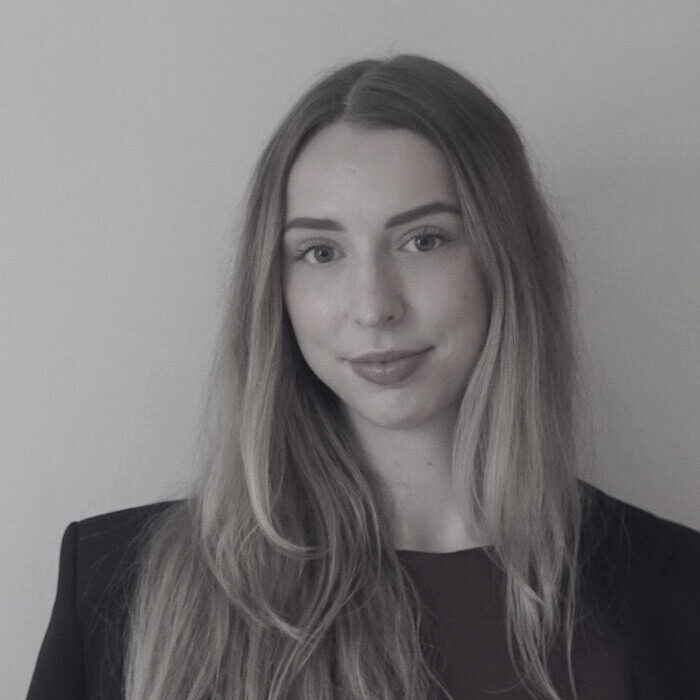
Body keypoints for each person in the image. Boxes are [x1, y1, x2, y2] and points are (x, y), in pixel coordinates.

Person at [27, 54, 700, 700]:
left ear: (505, 260)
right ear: (275, 288)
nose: (375, 306)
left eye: (423, 240)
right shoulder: (116, 584)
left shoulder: (676, 590)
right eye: (321, 251)